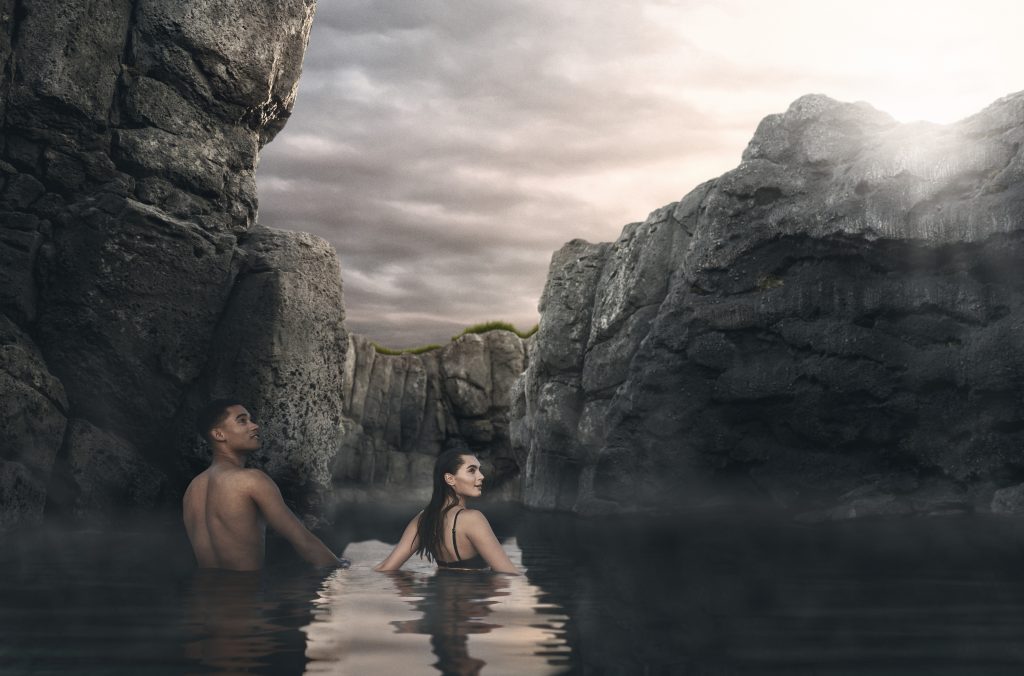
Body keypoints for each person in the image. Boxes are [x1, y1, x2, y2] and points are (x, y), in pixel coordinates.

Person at [183, 398, 347, 571]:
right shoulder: (251, 480)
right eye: (242, 421)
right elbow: (304, 542)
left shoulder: (192, 490)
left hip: (205, 595)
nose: (254, 426)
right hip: (245, 595)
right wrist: (343, 569)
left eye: (251, 419)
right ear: (219, 435)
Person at [374, 449, 519, 574]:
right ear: (450, 479)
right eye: (472, 470)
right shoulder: (473, 519)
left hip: (439, 603)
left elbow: (386, 568)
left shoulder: (424, 518)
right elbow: (508, 573)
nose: (481, 476)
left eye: (479, 470)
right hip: (472, 603)